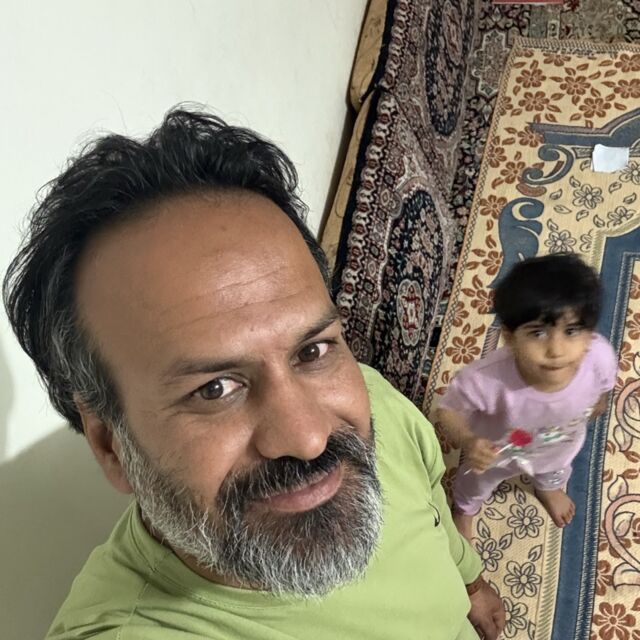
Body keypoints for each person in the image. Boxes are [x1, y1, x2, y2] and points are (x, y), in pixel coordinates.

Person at [3, 107, 504, 640]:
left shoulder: (373, 399)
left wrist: (471, 584)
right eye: (214, 388)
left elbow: (431, 508)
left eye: (312, 351)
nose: (309, 438)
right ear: (111, 446)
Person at [437, 254, 617, 541]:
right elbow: (447, 411)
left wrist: (601, 400)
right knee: (475, 483)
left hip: (559, 447)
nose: (556, 350)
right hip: (498, 454)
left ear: (590, 334)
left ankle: (546, 488)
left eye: (571, 331)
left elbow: (605, 384)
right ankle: (465, 510)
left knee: (555, 471)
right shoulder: (488, 379)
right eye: (538, 333)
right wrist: (469, 441)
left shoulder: (599, 357)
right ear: (509, 337)